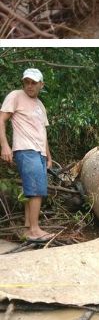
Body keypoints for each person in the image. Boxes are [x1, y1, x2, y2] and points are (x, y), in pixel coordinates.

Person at [0, 68, 55, 242]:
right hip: (25, 149)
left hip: (38, 152)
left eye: (33, 83)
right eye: (27, 82)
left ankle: (27, 227)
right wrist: (4, 146)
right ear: (23, 82)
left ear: (41, 84)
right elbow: (1, 119)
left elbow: (42, 132)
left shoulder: (40, 105)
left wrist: (48, 155)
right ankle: (34, 229)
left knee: (32, 189)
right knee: (37, 190)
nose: (29, 86)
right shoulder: (16, 96)